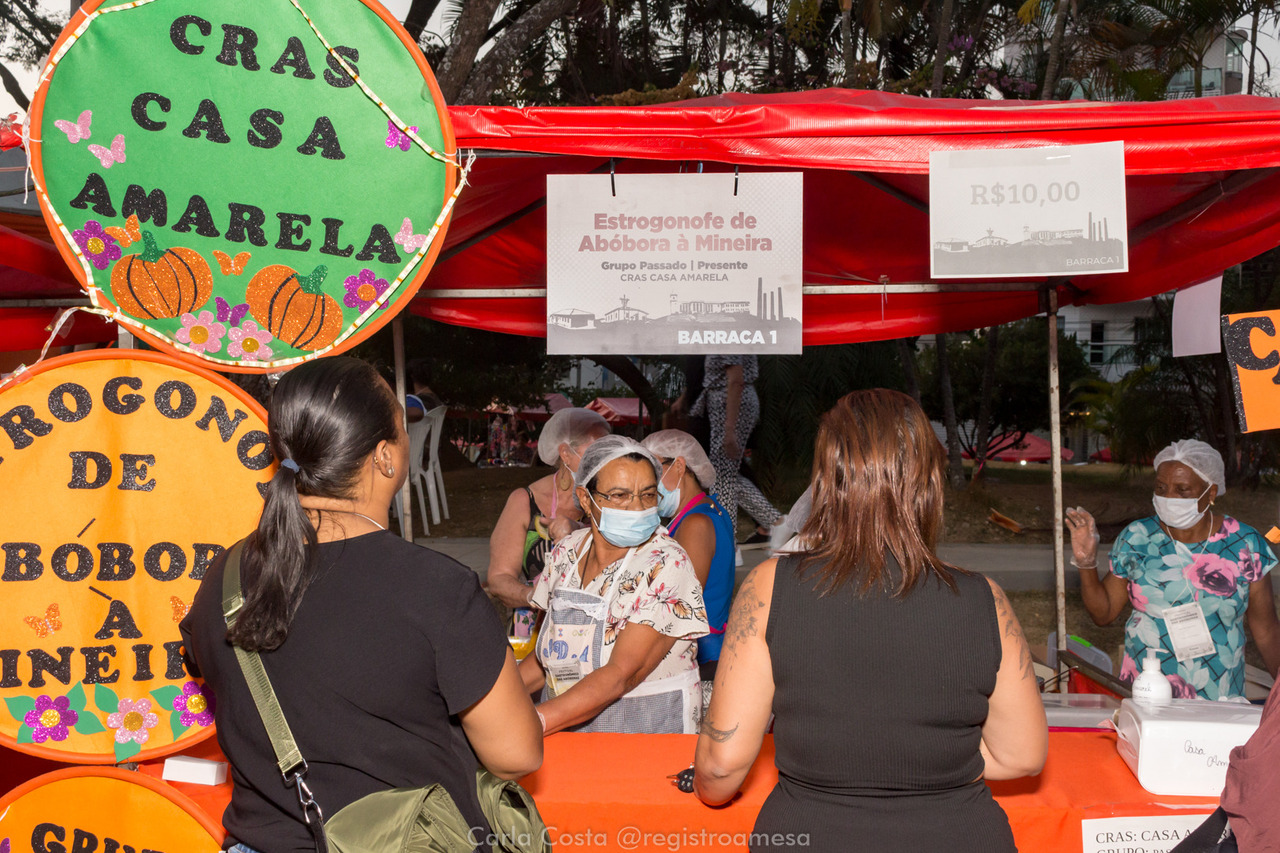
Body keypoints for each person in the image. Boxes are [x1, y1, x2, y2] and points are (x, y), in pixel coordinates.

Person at [180, 357, 542, 853]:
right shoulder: (437, 588)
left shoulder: (223, 577)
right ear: (386, 457)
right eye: (402, 425)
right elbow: (516, 753)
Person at [694, 389, 1047, 853]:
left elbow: (721, 765)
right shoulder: (985, 600)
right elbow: (1022, 755)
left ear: (825, 482)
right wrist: (924, 759)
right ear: (930, 485)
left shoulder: (769, 587)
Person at [520, 435, 710, 734]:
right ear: (586, 499)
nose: (637, 508)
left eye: (648, 495)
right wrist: (491, 702)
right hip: (563, 723)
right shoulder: (566, 553)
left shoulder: (667, 563)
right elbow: (543, 660)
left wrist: (530, 724)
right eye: (620, 495)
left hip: (646, 729)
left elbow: (621, 673)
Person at [1066, 439, 1280, 700]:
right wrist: (1086, 562)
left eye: (1182, 490)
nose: (1169, 498)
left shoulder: (1245, 543)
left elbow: (1267, 630)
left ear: (1210, 493)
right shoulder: (1138, 537)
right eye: (1161, 488)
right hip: (1146, 695)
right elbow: (1104, 613)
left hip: (1219, 697)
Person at [486, 408, 611, 613]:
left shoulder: (614, 498)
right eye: (596, 454)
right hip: (535, 624)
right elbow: (499, 579)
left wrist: (579, 530)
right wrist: (534, 596)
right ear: (565, 453)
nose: (605, 461)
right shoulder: (525, 501)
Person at [641, 429, 736, 684]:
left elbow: (679, 604)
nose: (647, 483)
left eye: (652, 471)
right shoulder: (710, 509)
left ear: (679, 466)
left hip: (700, 660)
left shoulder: (695, 524)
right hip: (708, 652)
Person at [690, 355, 783, 548]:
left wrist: (730, 429)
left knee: (721, 476)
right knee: (724, 476)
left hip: (731, 407)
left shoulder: (730, 338)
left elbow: (736, 380)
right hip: (723, 406)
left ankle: (727, 541)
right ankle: (775, 522)